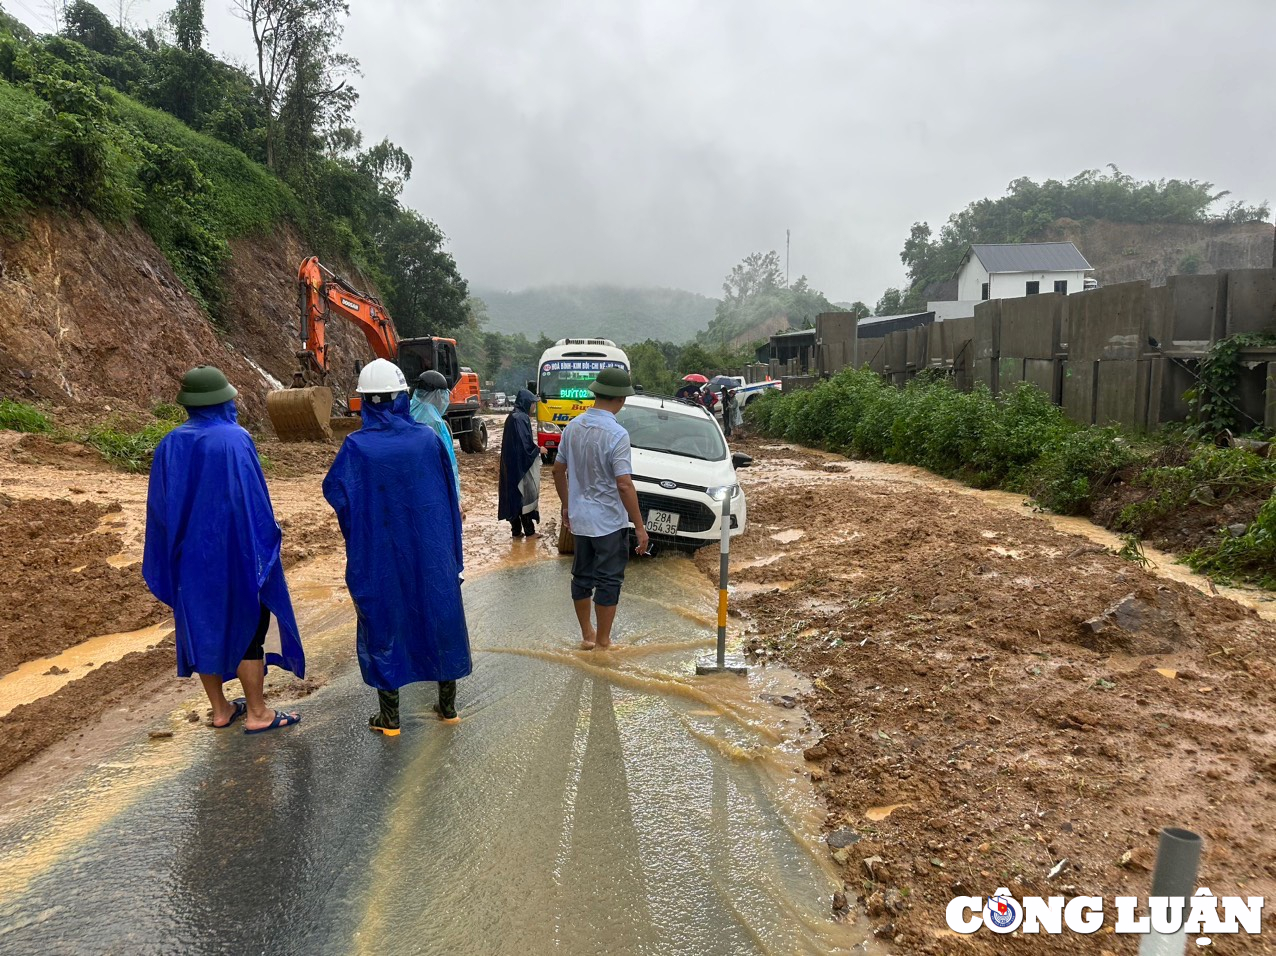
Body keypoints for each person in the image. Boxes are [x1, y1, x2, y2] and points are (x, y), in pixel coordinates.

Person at [143, 365, 304, 735]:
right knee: (250, 626)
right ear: (223, 400)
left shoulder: (170, 444)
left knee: (204, 626)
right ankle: (258, 713)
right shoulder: (234, 439)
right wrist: (264, 548)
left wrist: (172, 556)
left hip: (190, 559)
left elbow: (160, 510)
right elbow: (251, 503)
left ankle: (220, 709)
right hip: (234, 554)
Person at [323, 359, 471, 735]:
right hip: (430, 550)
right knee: (439, 614)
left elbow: (337, 494)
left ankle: (390, 720)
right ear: (402, 398)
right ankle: (448, 707)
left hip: (380, 554)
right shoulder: (427, 439)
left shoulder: (356, 447)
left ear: (367, 403)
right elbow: (447, 496)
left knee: (384, 618)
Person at [552, 367, 649, 651]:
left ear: (596, 394)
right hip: (608, 522)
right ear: (621, 399)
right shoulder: (617, 434)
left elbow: (558, 471)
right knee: (608, 580)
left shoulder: (572, 427)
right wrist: (640, 527)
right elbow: (624, 485)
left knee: (581, 576)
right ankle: (604, 642)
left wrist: (567, 506)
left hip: (580, 520)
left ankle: (587, 636)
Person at [410, 370, 464, 519]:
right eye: (443, 395)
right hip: (434, 492)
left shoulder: (407, 410)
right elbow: (449, 463)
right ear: (436, 395)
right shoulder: (434, 421)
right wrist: (456, 499)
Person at [498, 388, 542, 538]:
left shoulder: (512, 416)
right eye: (533, 404)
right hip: (520, 466)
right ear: (527, 403)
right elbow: (525, 445)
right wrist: (538, 450)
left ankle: (516, 532)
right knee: (526, 495)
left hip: (510, 465)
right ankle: (530, 532)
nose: (534, 407)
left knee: (513, 496)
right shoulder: (521, 418)